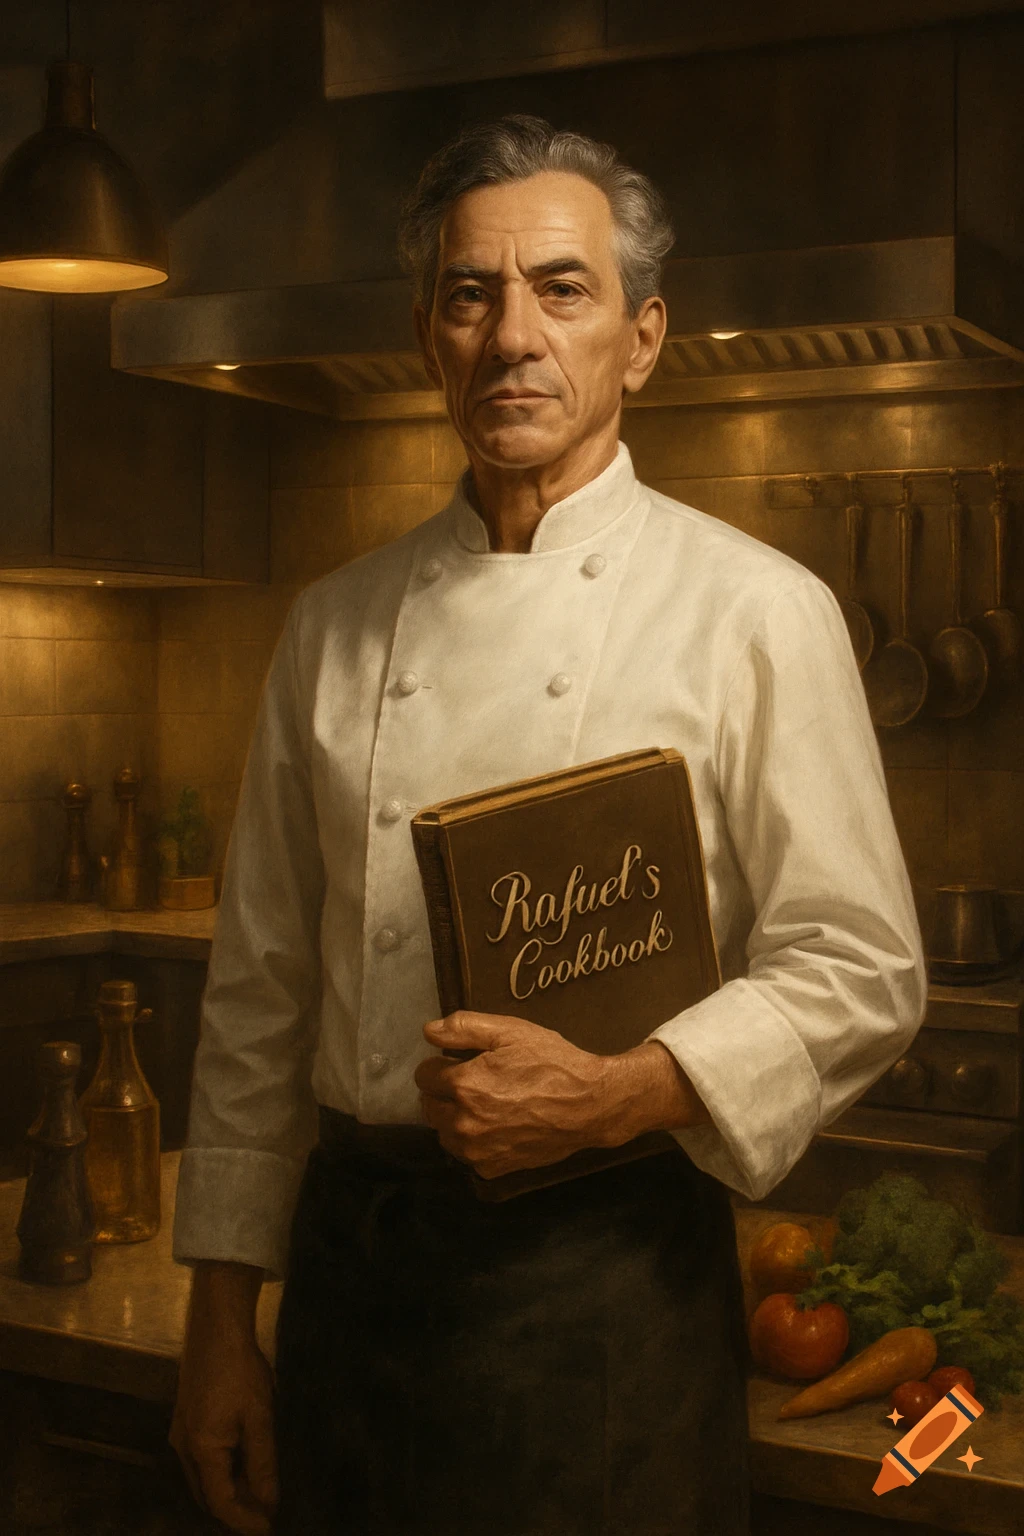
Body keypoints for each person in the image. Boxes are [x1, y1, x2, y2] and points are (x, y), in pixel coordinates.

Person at [169, 114, 927, 1536]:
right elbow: (258, 997)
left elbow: (862, 967)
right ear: (427, 333)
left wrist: (622, 1090)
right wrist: (221, 1320)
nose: (512, 333)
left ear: (640, 339)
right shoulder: (330, 628)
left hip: (605, 1286)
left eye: (561, 290)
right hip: (349, 1274)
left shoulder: (754, 611)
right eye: (472, 293)